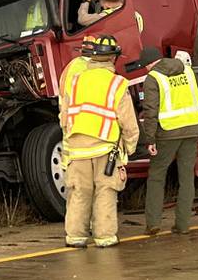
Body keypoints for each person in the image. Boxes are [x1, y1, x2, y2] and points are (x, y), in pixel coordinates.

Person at [60, 35, 140, 248]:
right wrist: (130, 147)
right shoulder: (117, 83)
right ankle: (104, 237)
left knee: (79, 192)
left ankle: (75, 236)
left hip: (77, 150)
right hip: (105, 150)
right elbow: (128, 122)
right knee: (105, 191)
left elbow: (64, 117)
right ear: (113, 58)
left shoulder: (76, 81)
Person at [137, 46, 198, 236]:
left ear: (149, 64)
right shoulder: (188, 72)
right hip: (193, 130)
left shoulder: (153, 78)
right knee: (187, 178)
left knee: (157, 176)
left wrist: (149, 139)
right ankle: (183, 225)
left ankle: (153, 223)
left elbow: (151, 111)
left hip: (167, 133)